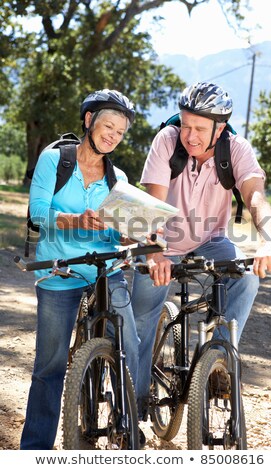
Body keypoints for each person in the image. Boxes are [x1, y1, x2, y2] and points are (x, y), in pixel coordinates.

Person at [131, 81, 271, 418]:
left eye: (200, 128)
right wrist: (154, 250)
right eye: (186, 124)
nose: (190, 135)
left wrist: (268, 239)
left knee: (245, 278)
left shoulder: (237, 150)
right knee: (141, 323)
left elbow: (255, 197)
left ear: (221, 128)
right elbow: (153, 201)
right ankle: (134, 408)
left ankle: (218, 359)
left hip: (209, 241)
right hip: (162, 239)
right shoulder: (167, 141)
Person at [20, 89, 143, 450]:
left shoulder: (117, 177)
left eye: (120, 133)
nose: (112, 136)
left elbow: (123, 229)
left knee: (130, 346)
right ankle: (35, 451)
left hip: (107, 270)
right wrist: (74, 220)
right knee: (50, 368)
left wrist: (130, 234)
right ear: (89, 121)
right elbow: (36, 213)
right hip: (61, 270)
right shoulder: (55, 160)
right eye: (108, 126)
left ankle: (129, 429)